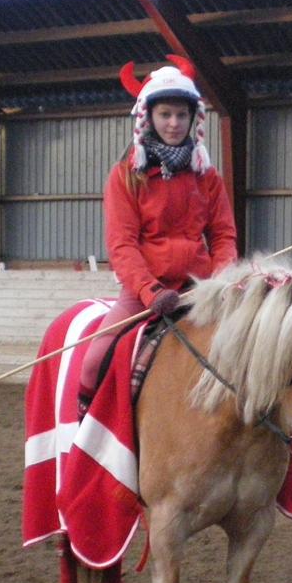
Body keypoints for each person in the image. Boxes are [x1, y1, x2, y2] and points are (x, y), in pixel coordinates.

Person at [76, 56, 239, 412]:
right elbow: (122, 245)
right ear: (148, 118)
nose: (174, 123)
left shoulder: (208, 178)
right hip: (146, 294)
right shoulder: (124, 176)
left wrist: (220, 280)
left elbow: (224, 236)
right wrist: (151, 293)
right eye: (165, 114)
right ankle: (87, 427)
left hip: (200, 289)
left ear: (193, 118)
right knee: (93, 362)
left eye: (182, 115)